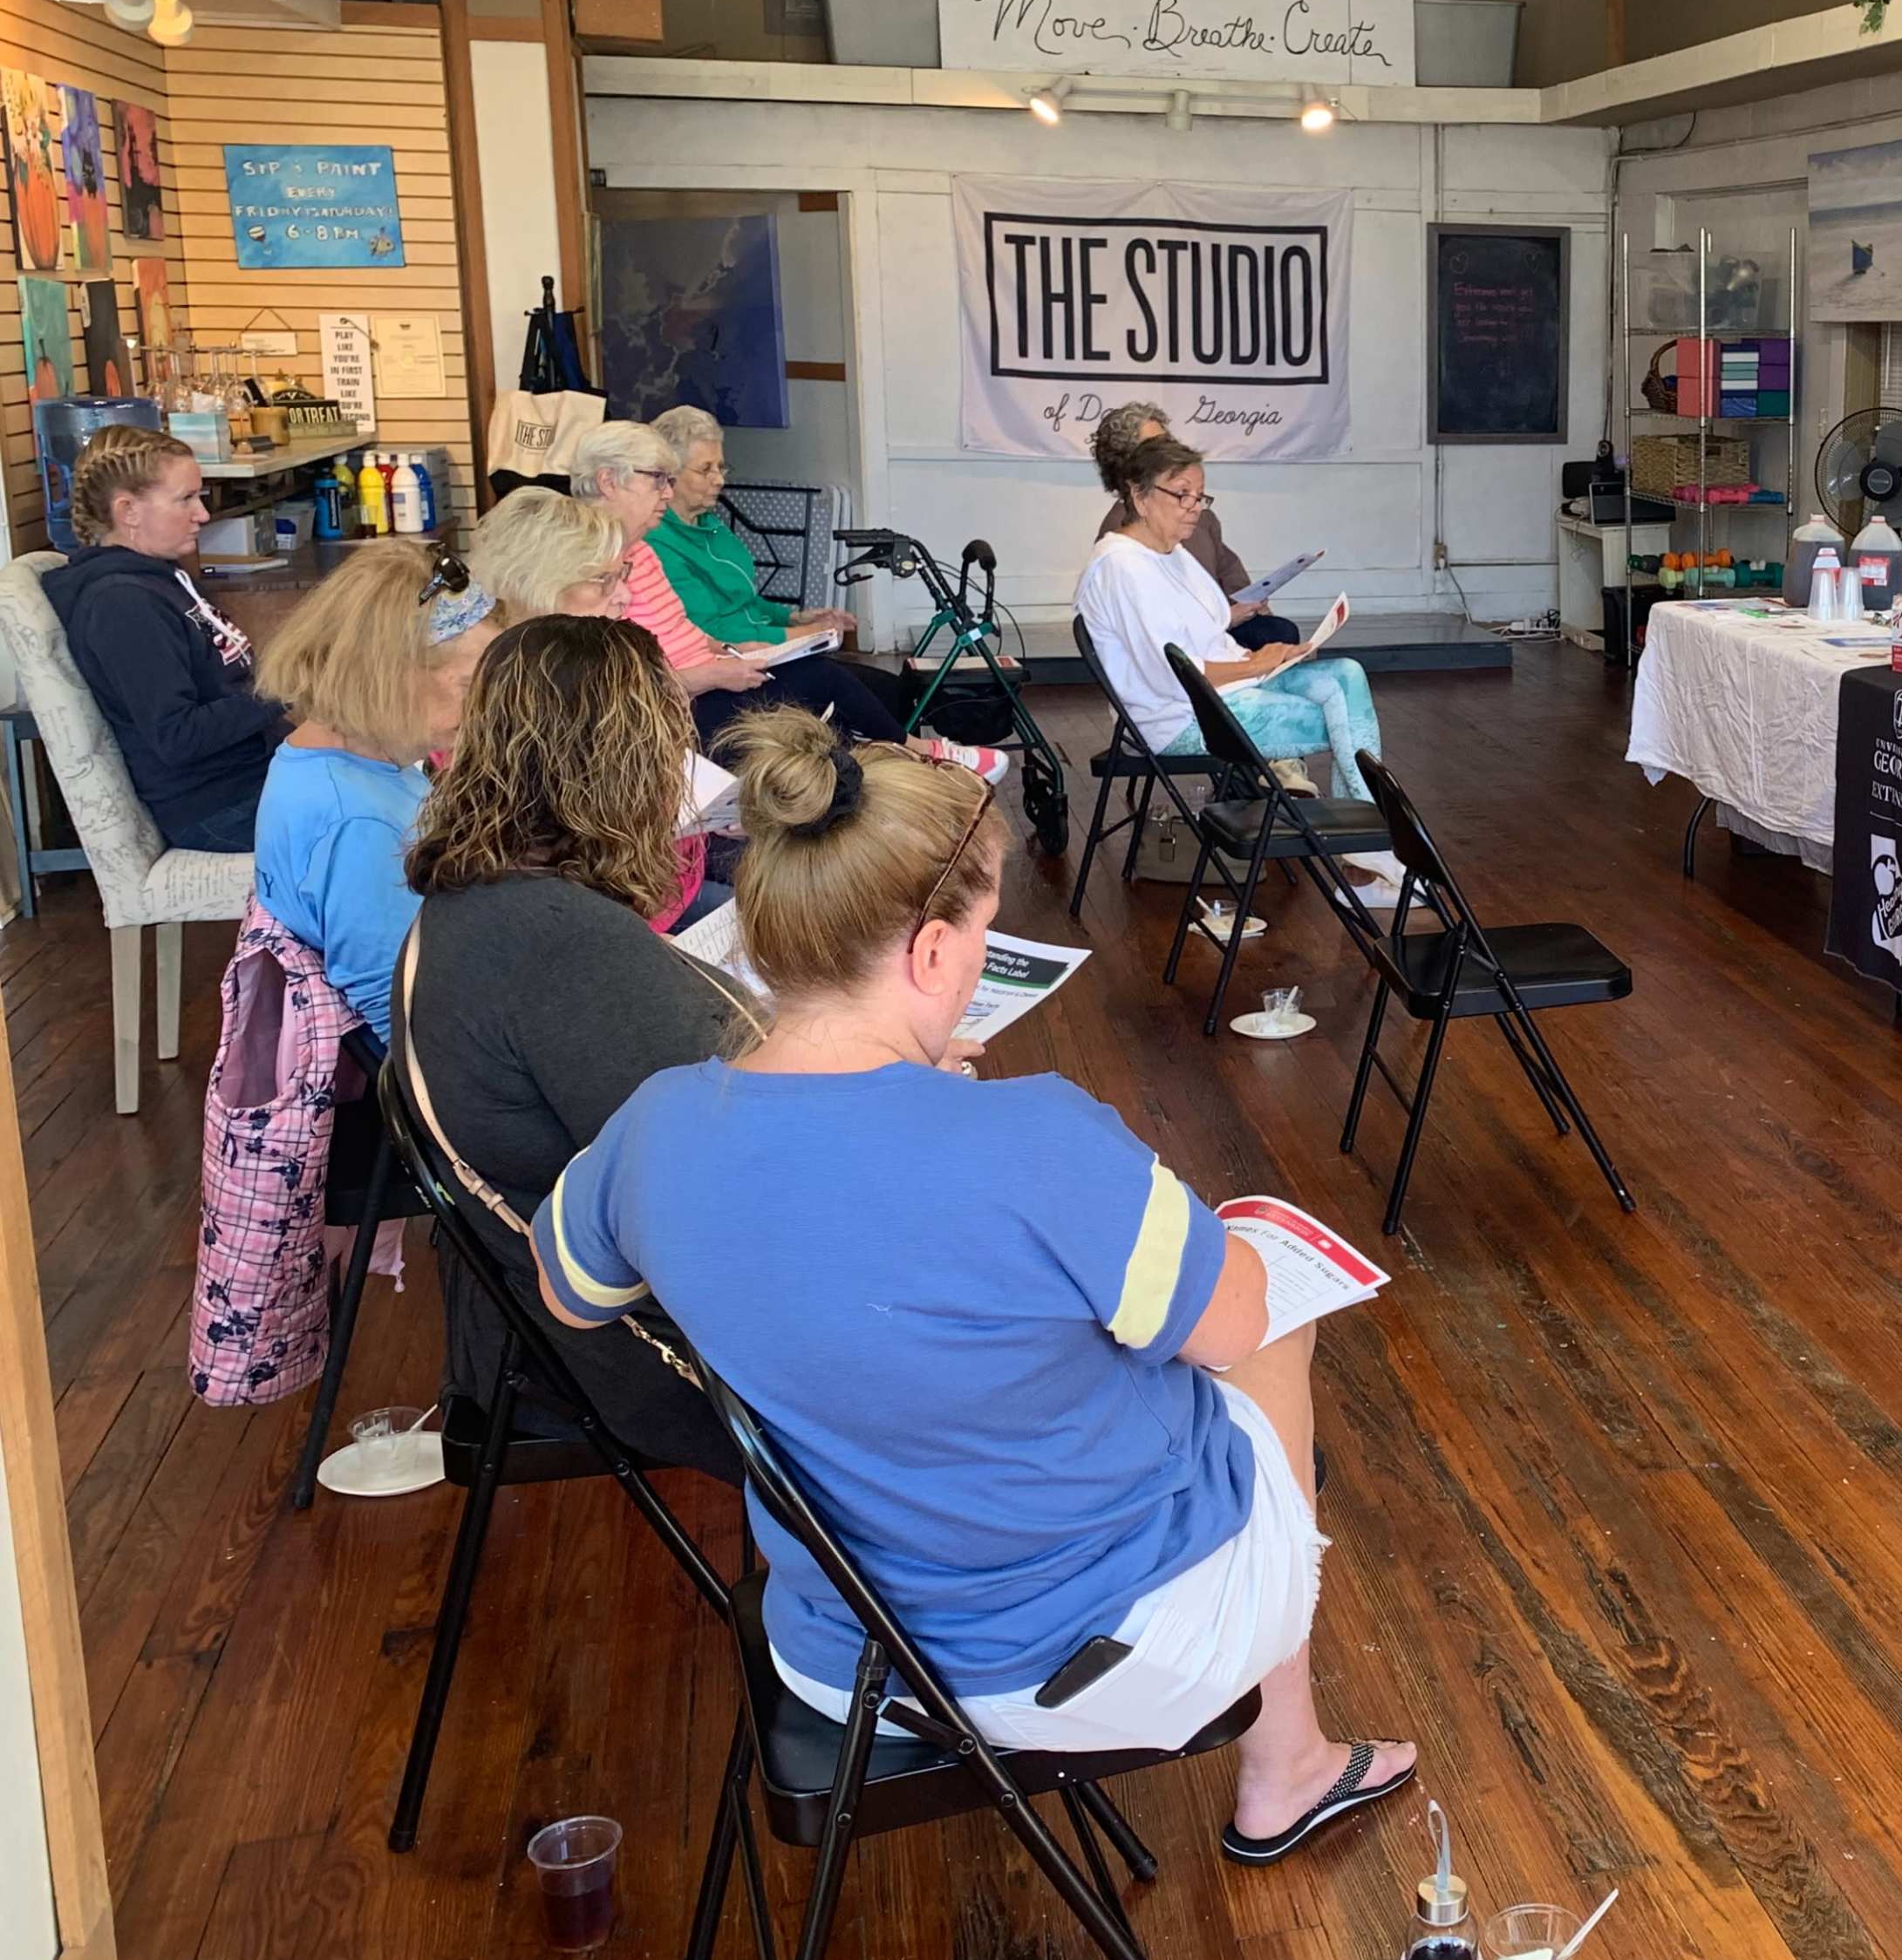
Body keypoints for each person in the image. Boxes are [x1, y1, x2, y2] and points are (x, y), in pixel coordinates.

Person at [527, 704, 1417, 1856]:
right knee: (1266, 1327)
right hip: (1083, 1656)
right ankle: (1286, 1760)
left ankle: (1286, 1753)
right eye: (983, 937)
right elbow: (1230, 1320)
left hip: (844, 1657)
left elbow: (568, 1292)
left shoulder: (657, 1127)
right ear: (933, 955)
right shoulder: (1034, 1141)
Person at [398, 616, 760, 1475]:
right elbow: (731, 1179)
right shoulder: (559, 942)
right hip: (628, 1353)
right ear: (630, 763)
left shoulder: (483, 890)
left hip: (561, 1308)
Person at [570, 423, 994, 775]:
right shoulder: (591, 569)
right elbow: (618, 687)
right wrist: (721, 671)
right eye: (657, 479)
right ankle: (919, 755)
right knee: (821, 683)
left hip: (705, 675)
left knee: (843, 692)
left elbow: (691, 626)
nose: (667, 491)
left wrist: (732, 649)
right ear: (608, 481)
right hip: (675, 707)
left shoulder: (642, 549)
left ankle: (898, 769)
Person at [1077, 434, 1404, 847]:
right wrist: (1257, 664)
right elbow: (1174, 677)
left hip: (1224, 693)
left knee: (1346, 676)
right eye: (1182, 495)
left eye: (1200, 496)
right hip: (1181, 718)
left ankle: (1367, 849)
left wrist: (1276, 657)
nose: (1195, 508)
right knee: (1348, 724)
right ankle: (1373, 851)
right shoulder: (1122, 568)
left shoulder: (1170, 553)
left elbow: (1209, 632)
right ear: (1140, 497)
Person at [249, 540, 501, 1043]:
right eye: (470, 688)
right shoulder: (356, 823)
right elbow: (401, 1016)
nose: (486, 710)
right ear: (391, 679)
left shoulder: (342, 761)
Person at [44, 425, 287, 851]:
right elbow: (178, 736)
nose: (203, 514)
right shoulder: (122, 605)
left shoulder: (160, 580)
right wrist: (281, 690)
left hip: (251, 777)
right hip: (219, 807)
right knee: (395, 822)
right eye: (185, 499)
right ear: (129, 511)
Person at [644, 405, 864, 650]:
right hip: (731, 661)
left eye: (721, 467)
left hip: (761, 651)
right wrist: (809, 633)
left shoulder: (710, 525)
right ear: (668, 474)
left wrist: (792, 618)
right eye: (706, 469)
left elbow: (742, 600)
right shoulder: (657, 544)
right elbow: (711, 632)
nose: (719, 479)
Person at [1092, 405, 1301, 650]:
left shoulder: (1200, 516)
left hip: (1222, 627)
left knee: (1278, 631)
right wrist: (1227, 619)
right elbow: (1162, 632)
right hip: (1191, 645)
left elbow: (1229, 570)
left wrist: (1252, 603)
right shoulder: (1120, 541)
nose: (1193, 507)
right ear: (1129, 464)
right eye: (1155, 446)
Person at [469, 485, 633, 623]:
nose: (626, 596)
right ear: (536, 585)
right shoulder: (486, 658)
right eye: (604, 579)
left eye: (621, 575)